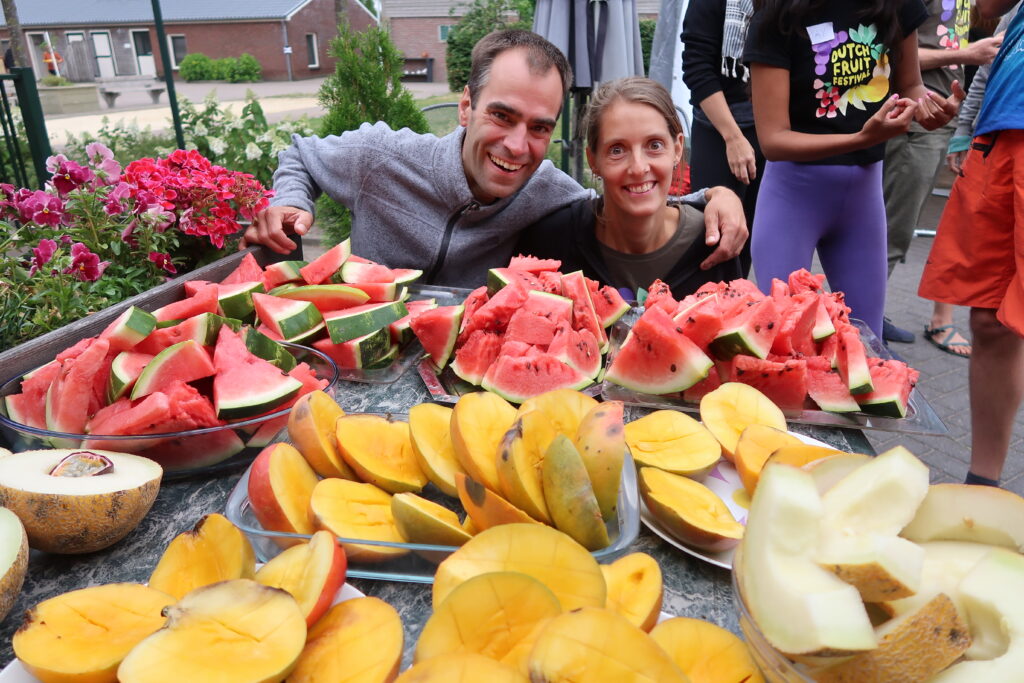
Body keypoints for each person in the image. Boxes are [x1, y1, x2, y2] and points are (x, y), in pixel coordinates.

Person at [241, 29, 747, 288]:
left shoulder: (550, 189)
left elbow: (624, 188)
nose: (516, 145)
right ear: (466, 106)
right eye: (502, 116)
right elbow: (300, 155)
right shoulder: (381, 156)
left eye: (539, 127)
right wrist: (290, 201)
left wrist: (713, 195)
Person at [744, 0, 963, 339]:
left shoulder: (895, 5)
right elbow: (773, 140)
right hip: (791, 199)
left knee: (868, 343)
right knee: (783, 343)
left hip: (863, 198)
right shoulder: (777, 17)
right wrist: (860, 138)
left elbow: (910, 86)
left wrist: (930, 108)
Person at [918, 0, 1024, 487]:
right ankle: (982, 485)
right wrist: (965, 135)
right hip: (998, 147)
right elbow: (987, 69)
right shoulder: (1013, 14)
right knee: (989, 319)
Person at [515, 77, 745, 299]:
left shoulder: (716, 241)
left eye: (654, 145)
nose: (638, 168)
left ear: (677, 149)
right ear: (593, 160)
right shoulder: (551, 240)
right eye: (617, 150)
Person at [882, 0, 1002, 352]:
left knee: (898, 229)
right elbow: (885, 56)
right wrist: (969, 54)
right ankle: (857, 327)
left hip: (938, 120)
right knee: (893, 229)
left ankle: (867, 316)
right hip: (916, 118)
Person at [682, 0, 765, 277]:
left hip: (771, 129)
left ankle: (738, 309)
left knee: (749, 239)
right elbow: (697, 70)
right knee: (714, 240)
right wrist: (733, 137)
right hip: (718, 131)